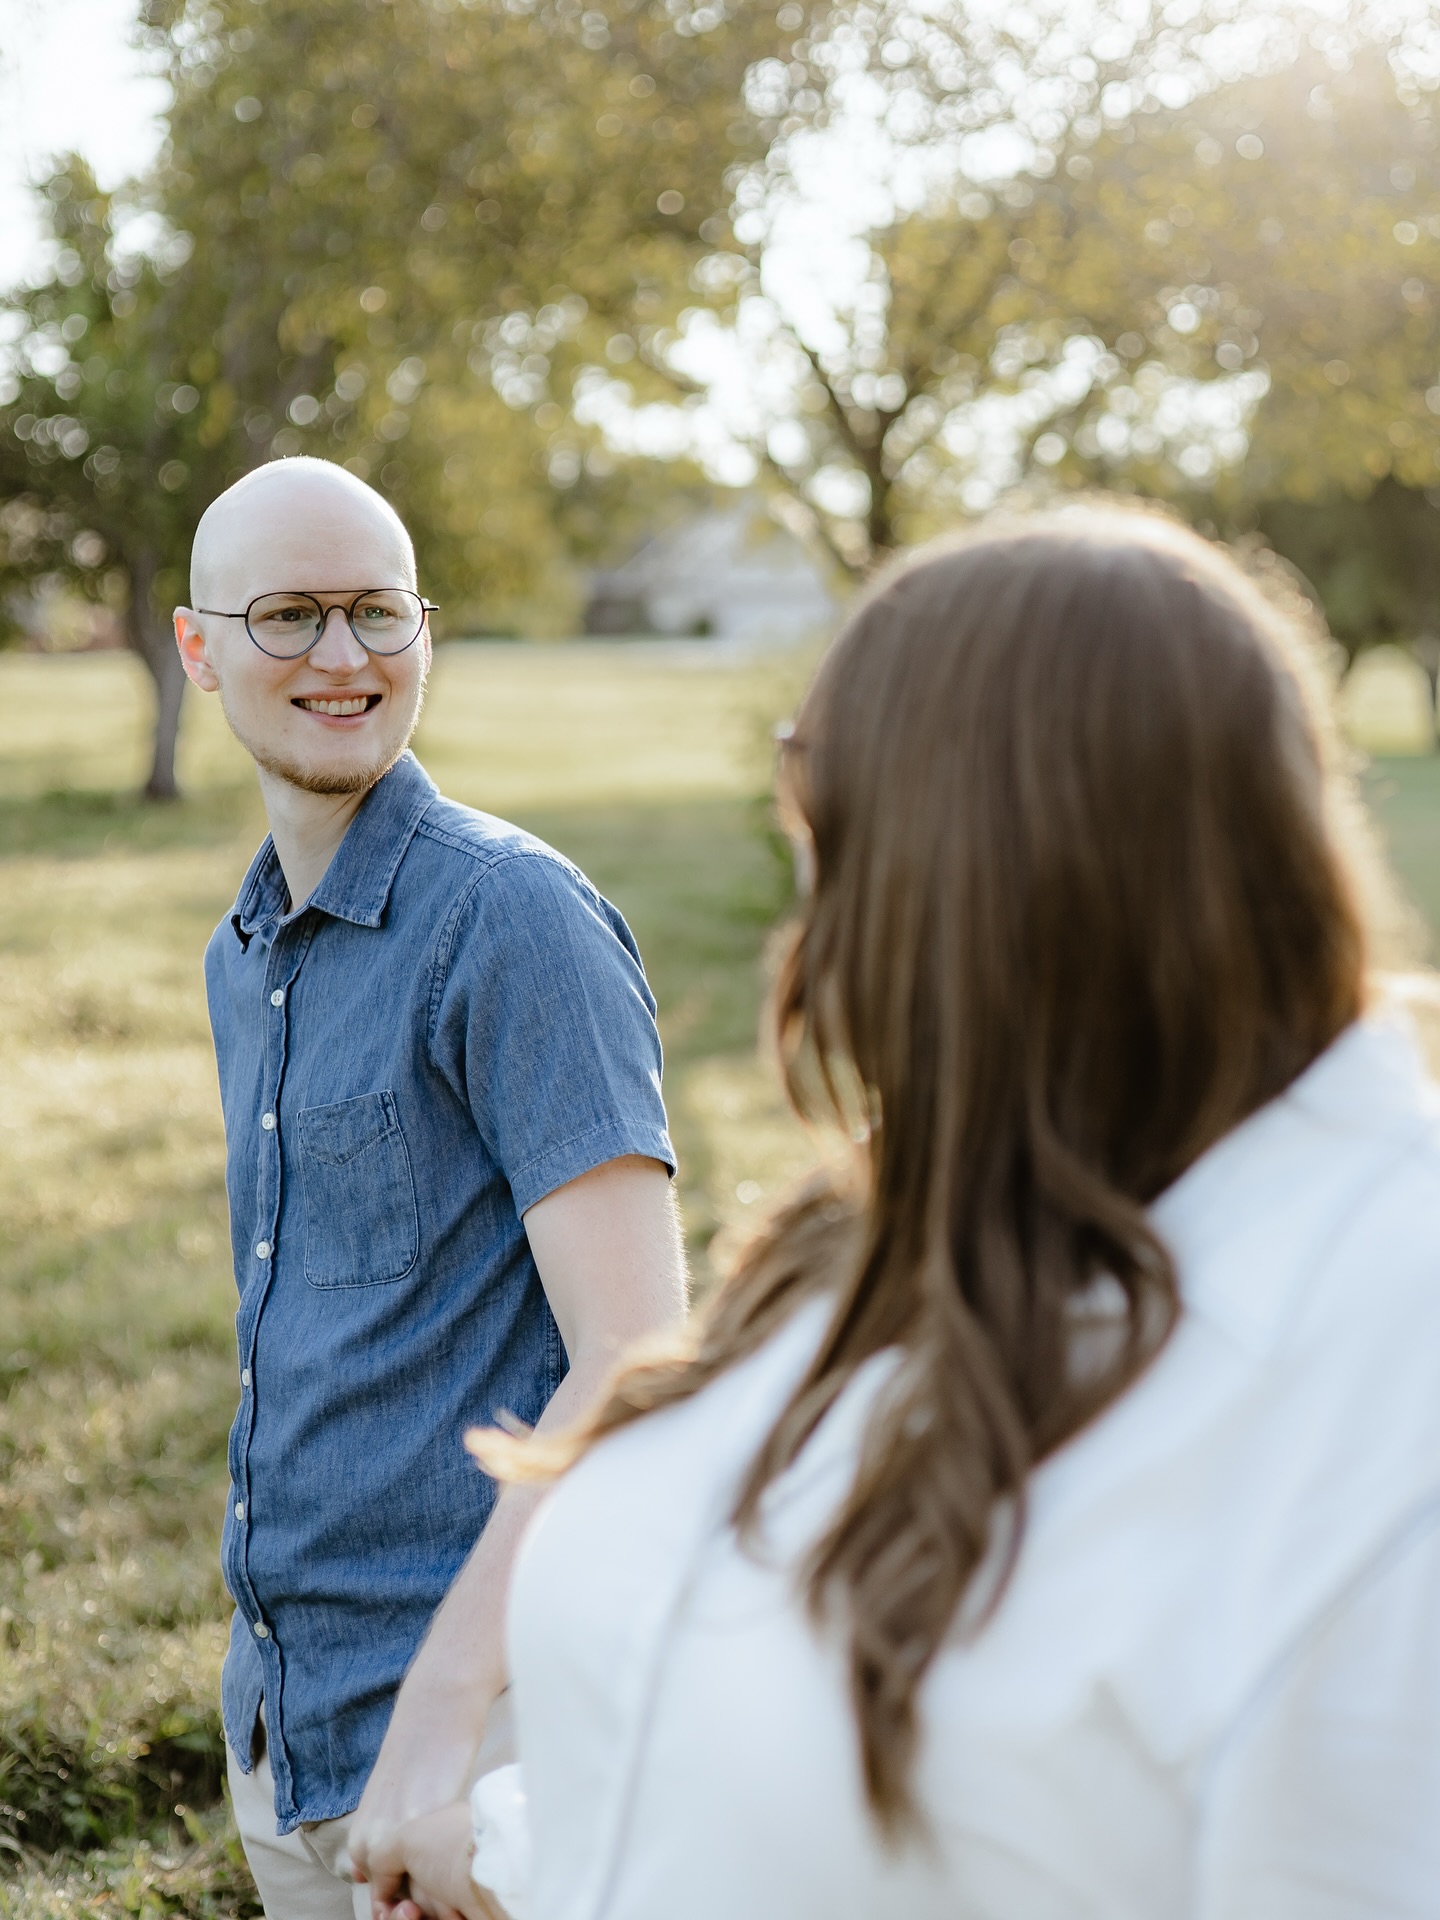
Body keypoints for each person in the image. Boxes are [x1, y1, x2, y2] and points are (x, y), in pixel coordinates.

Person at [385, 508, 1440, 1919]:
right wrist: (508, 1846)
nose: (803, 875)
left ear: (982, 865)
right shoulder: (900, 1207)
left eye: (817, 794)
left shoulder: (1377, 1361)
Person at [172, 456, 684, 1920]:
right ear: (199, 650)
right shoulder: (243, 953)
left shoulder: (511, 917)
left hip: (477, 1744)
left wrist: (445, 1723)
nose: (344, 657)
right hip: (290, 1728)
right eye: (290, 616)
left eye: (378, 612)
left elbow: (635, 1355)